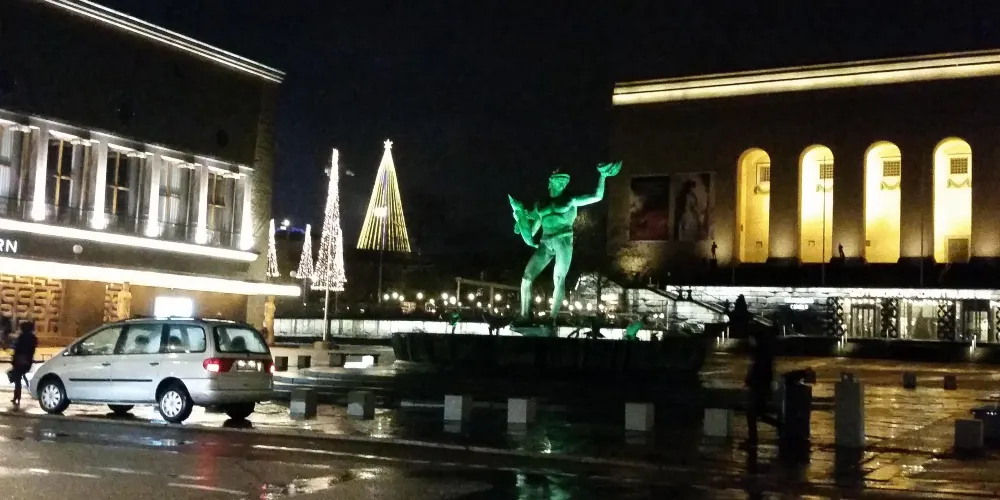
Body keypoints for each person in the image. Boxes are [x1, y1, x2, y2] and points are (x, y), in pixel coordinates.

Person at [10, 321, 37, 407]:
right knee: (20, 376)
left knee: (17, 379)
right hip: (27, 361)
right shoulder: (33, 338)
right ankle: (19, 395)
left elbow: (17, 349)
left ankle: (17, 396)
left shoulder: (21, 337)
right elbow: (32, 350)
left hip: (19, 360)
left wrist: (14, 359)